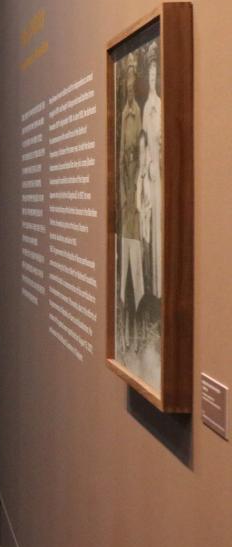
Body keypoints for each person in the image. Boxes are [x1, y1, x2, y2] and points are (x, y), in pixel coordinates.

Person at [118, 60, 144, 351]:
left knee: (136, 277)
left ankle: (135, 335)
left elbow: (140, 156)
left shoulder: (137, 114)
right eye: (125, 81)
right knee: (124, 276)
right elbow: (121, 159)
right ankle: (124, 335)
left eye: (131, 81)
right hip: (124, 211)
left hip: (135, 215)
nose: (128, 86)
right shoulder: (124, 115)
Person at [140, 55, 162, 297]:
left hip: (159, 174)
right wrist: (147, 167)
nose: (153, 79)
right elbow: (144, 143)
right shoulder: (147, 107)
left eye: (155, 75)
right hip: (150, 173)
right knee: (149, 225)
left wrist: (158, 163)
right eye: (150, 75)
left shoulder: (160, 105)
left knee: (159, 225)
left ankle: (159, 287)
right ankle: (151, 287)